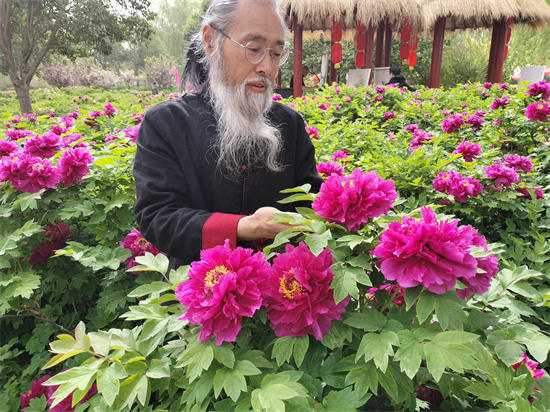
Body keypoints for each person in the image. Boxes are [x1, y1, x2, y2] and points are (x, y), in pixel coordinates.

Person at [133, 0, 323, 269]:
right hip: (197, 294)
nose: (267, 68)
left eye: (277, 53)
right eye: (254, 49)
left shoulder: (289, 124)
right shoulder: (166, 123)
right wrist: (246, 226)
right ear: (211, 41)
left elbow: (311, 203)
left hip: (281, 294)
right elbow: (158, 218)